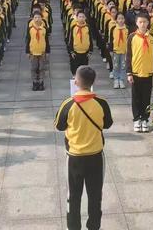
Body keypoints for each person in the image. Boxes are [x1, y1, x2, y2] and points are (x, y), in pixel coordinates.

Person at [54, 66, 113, 230]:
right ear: (92, 82)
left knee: (73, 196)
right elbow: (108, 123)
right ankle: (93, 226)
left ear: (77, 82)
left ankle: (73, 227)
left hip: (74, 157)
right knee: (95, 196)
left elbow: (59, 126)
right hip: (95, 156)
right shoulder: (101, 103)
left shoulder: (68, 104)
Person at [126, 12, 153, 133]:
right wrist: (129, 73)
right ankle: (136, 119)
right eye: (140, 22)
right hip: (135, 73)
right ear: (136, 23)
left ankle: (145, 119)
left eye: (145, 22)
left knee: (146, 97)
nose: (143, 24)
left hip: (148, 73)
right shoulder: (132, 37)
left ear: (148, 23)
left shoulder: (152, 38)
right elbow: (128, 56)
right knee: (136, 98)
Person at [26, 11, 50, 91]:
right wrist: (27, 52)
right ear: (33, 19)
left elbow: (46, 40)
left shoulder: (44, 29)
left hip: (42, 52)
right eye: (35, 17)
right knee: (34, 68)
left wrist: (47, 51)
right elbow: (28, 40)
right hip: (33, 52)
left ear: (41, 18)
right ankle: (34, 82)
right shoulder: (30, 29)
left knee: (42, 68)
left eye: (39, 17)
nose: (37, 19)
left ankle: (41, 82)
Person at [67, 10, 93, 76]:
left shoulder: (87, 27)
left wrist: (90, 51)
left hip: (85, 52)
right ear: (77, 18)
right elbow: (71, 39)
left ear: (85, 18)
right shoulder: (74, 27)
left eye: (83, 17)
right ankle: (75, 76)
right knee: (75, 67)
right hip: (76, 52)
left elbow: (90, 39)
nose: (81, 18)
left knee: (84, 68)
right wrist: (71, 51)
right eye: (80, 17)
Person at [108, 12, 128, 89]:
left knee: (123, 66)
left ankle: (121, 80)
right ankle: (116, 79)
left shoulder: (127, 29)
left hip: (124, 51)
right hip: (116, 51)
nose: (121, 20)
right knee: (116, 65)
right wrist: (110, 50)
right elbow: (111, 40)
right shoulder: (113, 28)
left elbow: (129, 40)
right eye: (119, 18)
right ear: (116, 20)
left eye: (122, 18)